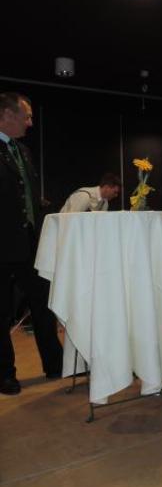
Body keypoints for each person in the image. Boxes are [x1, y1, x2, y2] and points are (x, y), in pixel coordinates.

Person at [0, 92, 63, 395]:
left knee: (43, 303)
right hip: (2, 243)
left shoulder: (22, 151)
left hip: (27, 242)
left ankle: (55, 363)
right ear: (7, 115)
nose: (30, 122)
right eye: (26, 116)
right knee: (1, 312)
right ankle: (4, 374)